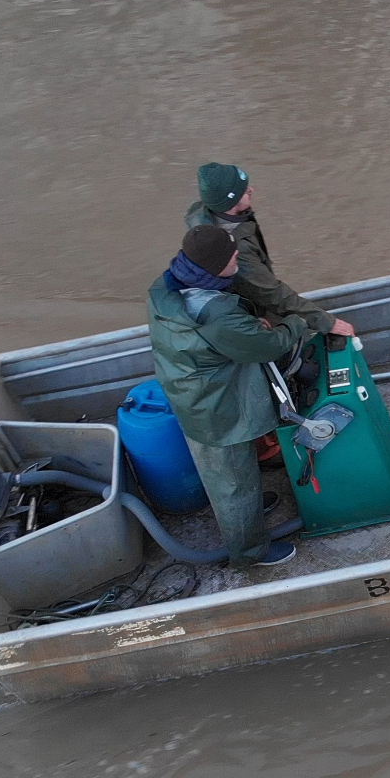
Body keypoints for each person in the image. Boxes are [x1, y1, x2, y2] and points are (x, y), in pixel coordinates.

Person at [147, 225, 308, 567]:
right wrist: (295, 324)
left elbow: (229, 336)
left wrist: (246, 325)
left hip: (189, 392)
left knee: (230, 473)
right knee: (232, 480)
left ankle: (246, 511)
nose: (238, 257)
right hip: (215, 409)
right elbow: (267, 346)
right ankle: (250, 551)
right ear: (214, 265)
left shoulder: (165, 287)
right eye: (232, 256)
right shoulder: (214, 313)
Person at [187, 162, 356, 339]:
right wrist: (328, 322)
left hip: (243, 302)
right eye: (244, 191)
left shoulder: (208, 213)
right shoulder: (236, 249)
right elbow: (272, 293)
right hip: (241, 315)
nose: (251, 189)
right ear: (230, 201)